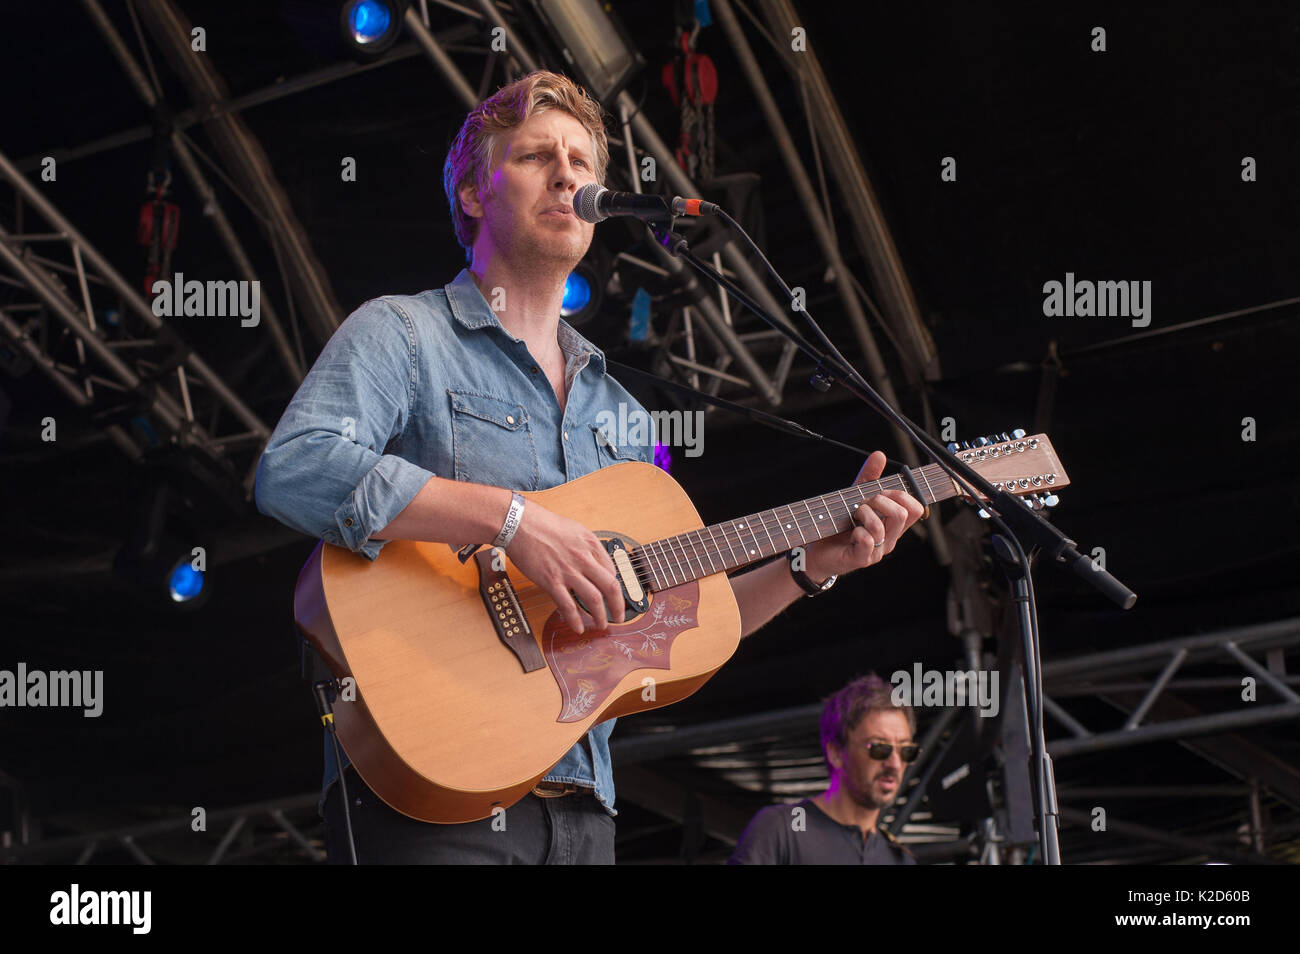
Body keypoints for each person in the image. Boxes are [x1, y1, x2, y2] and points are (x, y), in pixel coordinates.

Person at [254, 70, 925, 864]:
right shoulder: (403, 334)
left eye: (581, 160)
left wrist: (815, 564)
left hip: (586, 813)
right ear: (472, 194)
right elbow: (294, 468)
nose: (568, 173)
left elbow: (683, 622)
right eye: (538, 156)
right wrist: (512, 522)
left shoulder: (626, 418)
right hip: (436, 794)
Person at [729, 673, 918, 864]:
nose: (894, 763)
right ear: (836, 753)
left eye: (906, 751)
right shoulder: (783, 828)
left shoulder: (900, 860)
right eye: (879, 748)